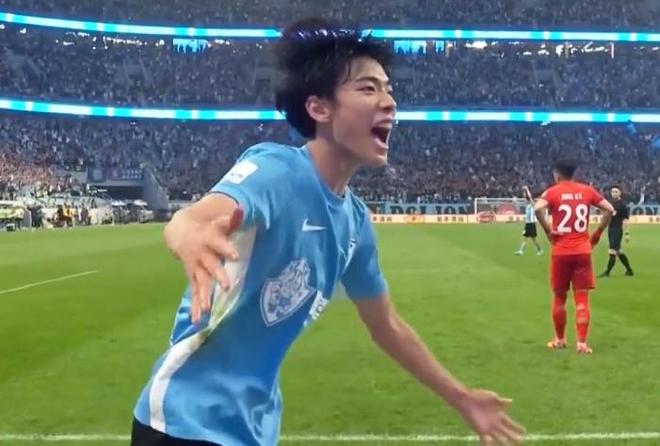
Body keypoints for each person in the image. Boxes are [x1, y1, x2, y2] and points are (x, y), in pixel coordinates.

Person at [131, 18, 524, 446]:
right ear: (319, 108)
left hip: (253, 427)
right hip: (184, 418)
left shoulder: (354, 222)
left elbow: (387, 326)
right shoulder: (276, 171)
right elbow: (194, 218)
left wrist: (462, 398)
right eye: (369, 89)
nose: (389, 102)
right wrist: (187, 234)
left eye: (389, 89)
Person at [534, 160, 614, 354]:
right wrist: (596, 235)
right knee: (582, 298)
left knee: (560, 297)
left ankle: (560, 340)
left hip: (561, 251)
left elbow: (537, 208)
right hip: (583, 251)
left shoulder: (552, 192)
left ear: (557, 175)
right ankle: (582, 344)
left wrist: (548, 230)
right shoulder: (587, 190)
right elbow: (609, 209)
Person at [599, 185, 634, 277]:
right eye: (612, 191)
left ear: (620, 193)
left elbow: (625, 220)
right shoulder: (610, 203)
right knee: (619, 251)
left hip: (617, 230)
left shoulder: (622, 205)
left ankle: (607, 272)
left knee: (612, 251)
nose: (614, 193)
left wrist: (627, 233)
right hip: (610, 229)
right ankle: (629, 270)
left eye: (616, 191)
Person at [514, 186, 543, 256]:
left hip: (532, 224)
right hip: (528, 223)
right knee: (525, 238)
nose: (524, 195)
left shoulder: (533, 204)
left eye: (525, 194)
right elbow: (526, 197)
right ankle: (521, 251)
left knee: (534, 239)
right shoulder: (527, 204)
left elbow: (529, 197)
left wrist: (527, 189)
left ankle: (540, 250)